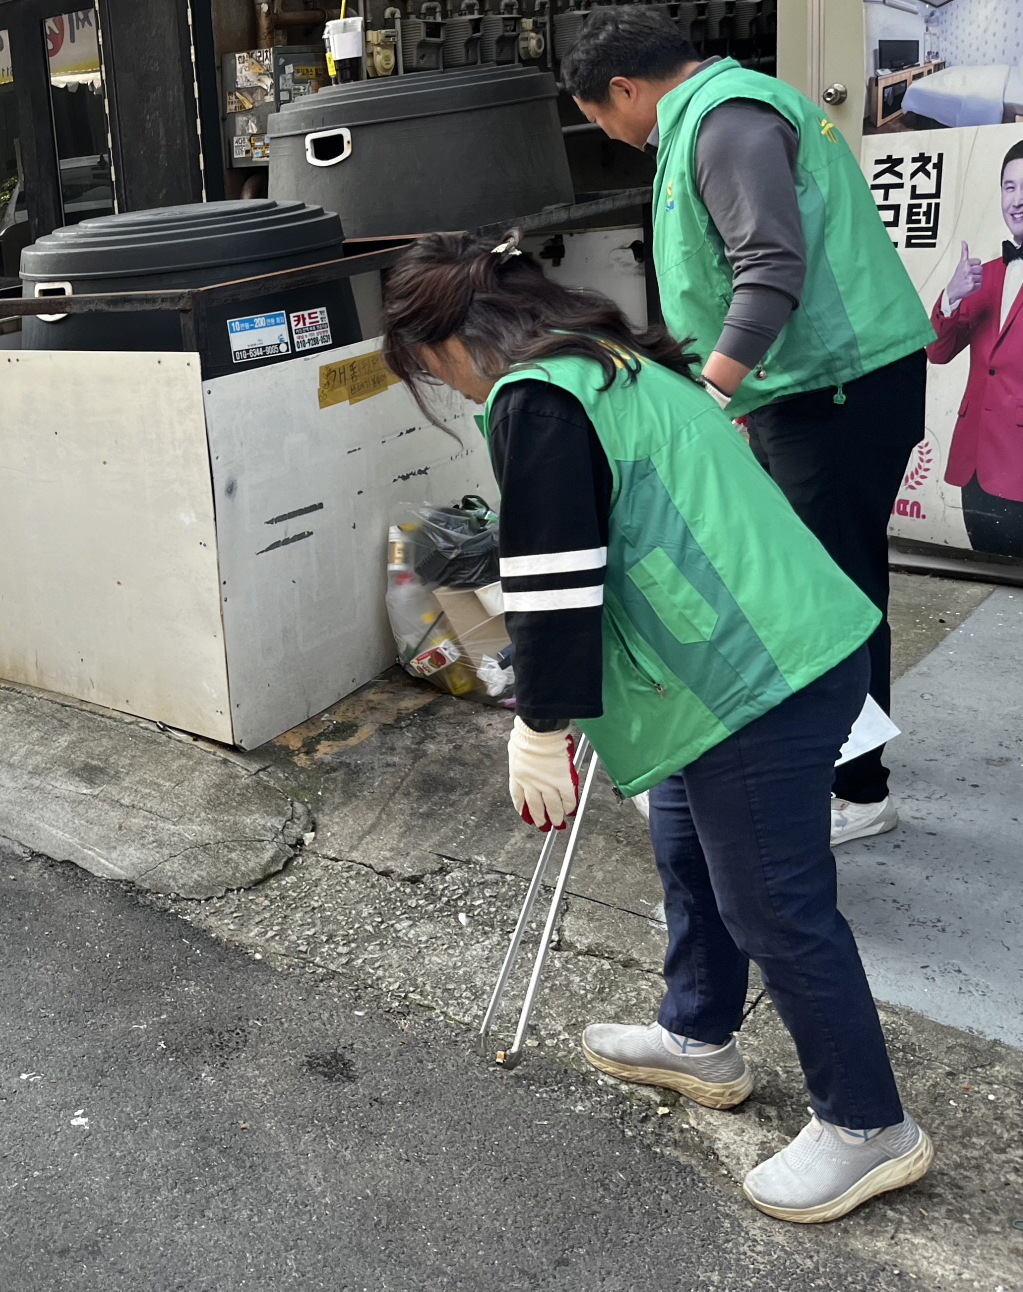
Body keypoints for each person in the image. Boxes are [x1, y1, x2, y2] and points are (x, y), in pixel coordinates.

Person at [380, 231, 932, 1225]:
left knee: (775, 909)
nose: (453, 392)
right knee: (686, 848)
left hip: (753, 673)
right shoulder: (614, 361)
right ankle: (697, 1037)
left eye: (431, 369)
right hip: (745, 655)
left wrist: (539, 725)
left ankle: (866, 1126)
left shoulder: (538, 397)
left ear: (454, 338)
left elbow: (552, 580)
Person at [563, 6, 935, 847]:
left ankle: (857, 786)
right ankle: (840, 753)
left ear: (625, 87)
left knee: (833, 593)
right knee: (814, 579)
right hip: (807, 387)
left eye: (600, 118)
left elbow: (769, 270)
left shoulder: (726, 125)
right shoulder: (716, 114)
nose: (614, 135)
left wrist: (709, 394)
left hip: (836, 390)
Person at [927, 141, 1023, 555]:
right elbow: (937, 352)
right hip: (975, 465)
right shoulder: (981, 275)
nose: (1017, 201)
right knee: (985, 578)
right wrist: (951, 295)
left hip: (1019, 463)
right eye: (1009, 187)